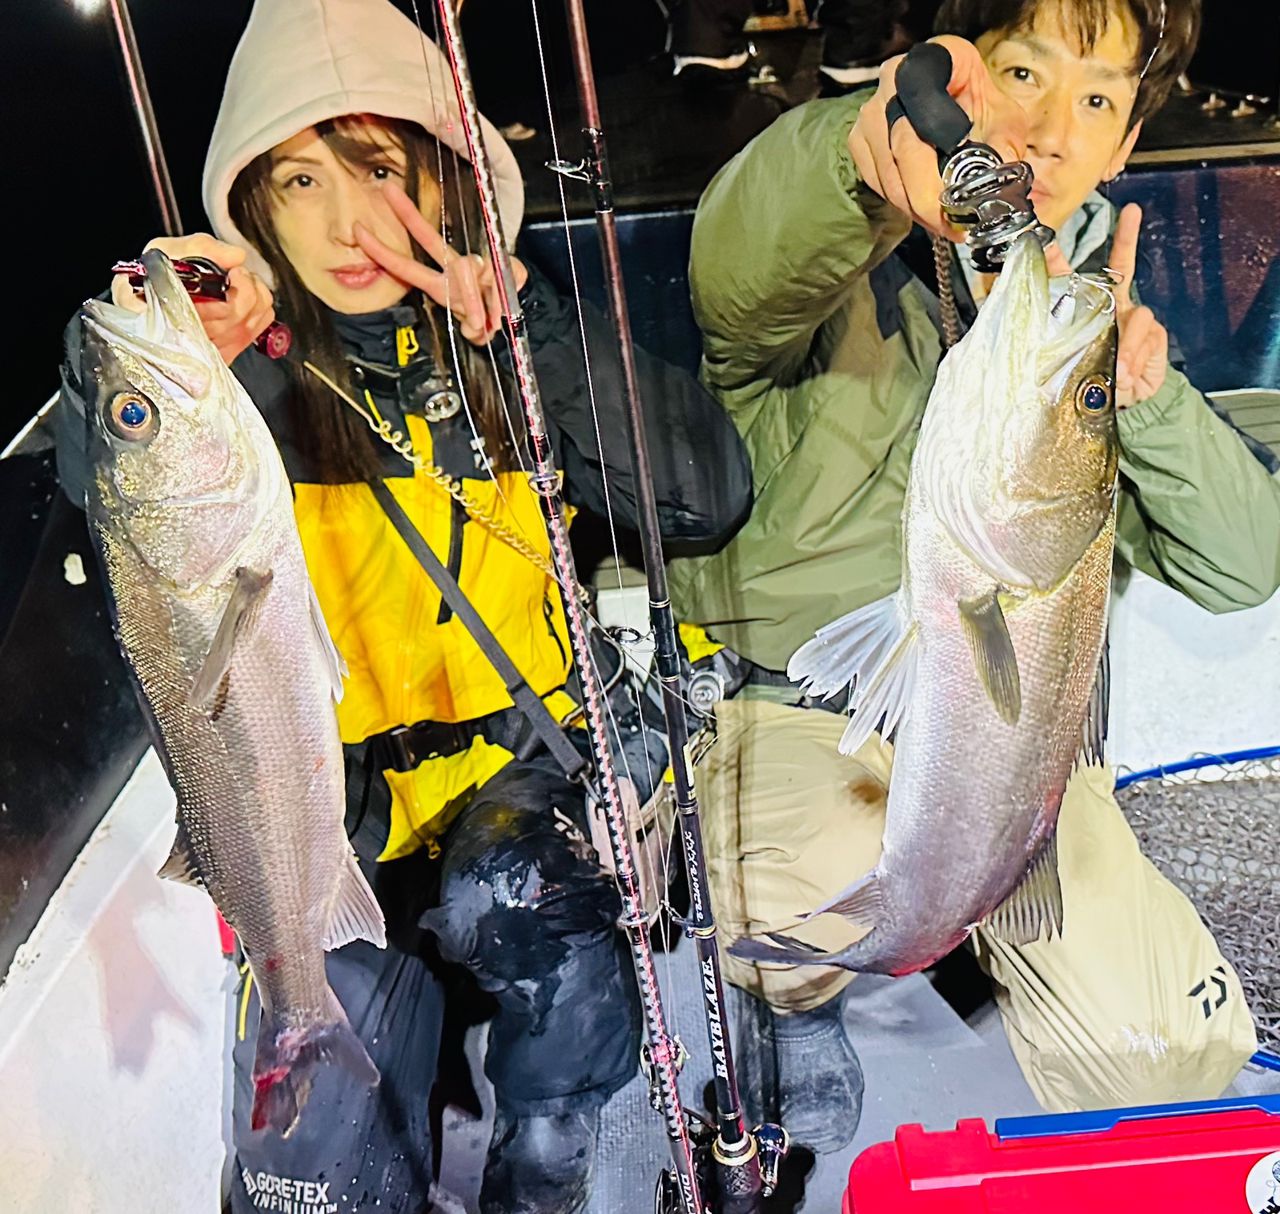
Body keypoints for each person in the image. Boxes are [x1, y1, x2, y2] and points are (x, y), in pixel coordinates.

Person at [54, 1, 752, 1211]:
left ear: (442, 178)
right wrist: (120, 366)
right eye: (300, 180)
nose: (347, 221)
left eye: (379, 168)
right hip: (331, 795)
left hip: (518, 766)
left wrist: (525, 323)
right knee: (307, 1152)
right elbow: (118, 489)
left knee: (523, 900)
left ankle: (553, 1162)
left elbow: (707, 494)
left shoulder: (506, 339)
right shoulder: (235, 387)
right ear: (256, 208)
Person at [669, 0, 1280, 1153]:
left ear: (1123, 144)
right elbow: (743, 263)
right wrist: (858, 155)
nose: (1047, 130)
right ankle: (801, 1006)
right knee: (802, 890)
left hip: (1020, 765)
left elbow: (1240, 563)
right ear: (962, 85)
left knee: (1162, 1051)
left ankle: (988, 947)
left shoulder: (1083, 329)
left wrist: (1138, 401)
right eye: (1022, 74)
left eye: (1094, 99)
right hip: (801, 717)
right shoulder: (835, 273)